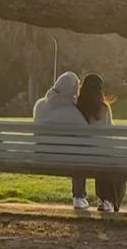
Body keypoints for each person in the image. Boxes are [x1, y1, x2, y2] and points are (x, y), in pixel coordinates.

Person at [32, 71, 90, 209]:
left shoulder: (39, 105)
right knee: (80, 153)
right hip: (66, 158)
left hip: (40, 155)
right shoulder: (74, 113)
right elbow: (87, 136)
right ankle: (79, 196)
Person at [77, 73, 126, 213]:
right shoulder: (104, 109)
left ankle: (82, 197)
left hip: (81, 155)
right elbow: (110, 134)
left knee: (100, 153)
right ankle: (106, 200)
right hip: (101, 155)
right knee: (107, 156)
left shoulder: (77, 108)